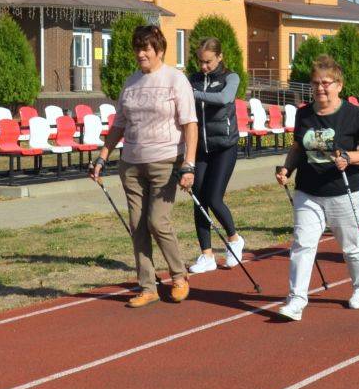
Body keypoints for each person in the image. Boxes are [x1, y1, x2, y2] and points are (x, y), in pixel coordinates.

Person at [89, 25, 197, 308]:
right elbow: (119, 124)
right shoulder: (131, 83)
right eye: (137, 48)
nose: (140, 53)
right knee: (137, 225)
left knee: (157, 221)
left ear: (159, 49)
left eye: (146, 48)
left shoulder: (176, 79)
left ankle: (178, 275)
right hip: (132, 163)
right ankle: (147, 286)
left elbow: (190, 124)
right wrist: (102, 157)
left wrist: (189, 164)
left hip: (165, 161)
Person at [275, 55, 359, 321]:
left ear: (339, 85)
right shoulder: (304, 114)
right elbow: (298, 147)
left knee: (351, 245)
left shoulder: (352, 115)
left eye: (326, 83)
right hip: (308, 191)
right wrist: (287, 169)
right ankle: (296, 299)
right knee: (302, 243)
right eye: (316, 83)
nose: (320, 88)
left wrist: (349, 158)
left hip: (344, 190)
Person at [187, 38, 245, 274]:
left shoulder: (230, 77)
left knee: (213, 197)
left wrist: (193, 94)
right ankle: (207, 255)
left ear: (219, 57)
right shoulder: (193, 79)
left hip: (225, 146)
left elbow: (224, 99)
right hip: (201, 147)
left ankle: (234, 240)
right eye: (200, 62)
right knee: (198, 199)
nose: (204, 67)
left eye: (208, 62)